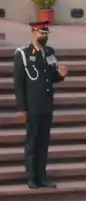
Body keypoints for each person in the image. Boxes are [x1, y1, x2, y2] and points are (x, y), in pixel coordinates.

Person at [13, 20, 67, 189]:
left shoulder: (49, 52)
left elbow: (52, 76)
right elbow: (18, 83)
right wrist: (22, 107)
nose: (43, 36)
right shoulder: (22, 53)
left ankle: (42, 177)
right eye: (40, 33)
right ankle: (31, 177)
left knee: (43, 142)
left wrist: (62, 75)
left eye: (45, 34)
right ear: (33, 33)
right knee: (32, 142)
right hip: (32, 104)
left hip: (46, 104)